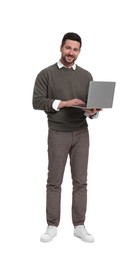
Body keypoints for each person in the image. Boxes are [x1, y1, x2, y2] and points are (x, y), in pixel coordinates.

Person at [32, 32, 102, 243]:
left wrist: (93, 111)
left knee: (81, 182)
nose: (71, 53)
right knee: (54, 182)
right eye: (68, 48)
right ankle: (52, 225)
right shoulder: (46, 74)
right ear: (61, 47)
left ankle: (79, 225)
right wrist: (63, 103)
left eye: (75, 49)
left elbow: (90, 106)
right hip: (57, 133)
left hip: (81, 133)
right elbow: (37, 102)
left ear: (79, 51)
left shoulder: (86, 75)